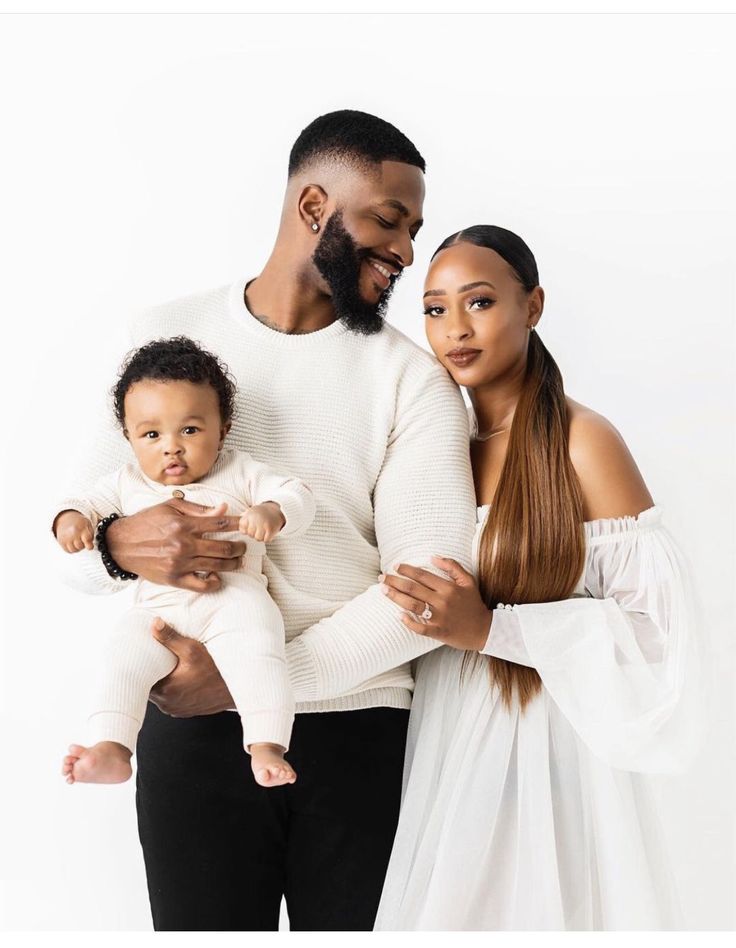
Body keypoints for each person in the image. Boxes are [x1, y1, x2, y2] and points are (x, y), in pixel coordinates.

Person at [49, 110, 477, 931]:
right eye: (389, 220)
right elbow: (63, 547)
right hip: (189, 729)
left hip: (358, 732)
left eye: (414, 230)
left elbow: (432, 586)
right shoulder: (161, 337)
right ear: (314, 206)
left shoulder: (411, 381)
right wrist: (111, 546)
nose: (406, 252)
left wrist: (258, 683)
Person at [374, 225, 702, 930]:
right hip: (443, 749)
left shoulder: (584, 442)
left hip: (552, 759)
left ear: (535, 305)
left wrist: (493, 628)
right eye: (434, 309)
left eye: (480, 302)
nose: (454, 328)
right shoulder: (436, 450)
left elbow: (659, 643)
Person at [56, 336, 316, 788]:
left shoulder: (239, 470)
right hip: (156, 611)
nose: (171, 448)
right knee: (123, 654)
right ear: (128, 437)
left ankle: (266, 744)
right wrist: (71, 520)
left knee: (259, 649)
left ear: (224, 426)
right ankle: (112, 747)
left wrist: (272, 512)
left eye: (190, 431)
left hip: (232, 598)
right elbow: (82, 501)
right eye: (152, 435)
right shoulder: (126, 481)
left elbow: (296, 493)